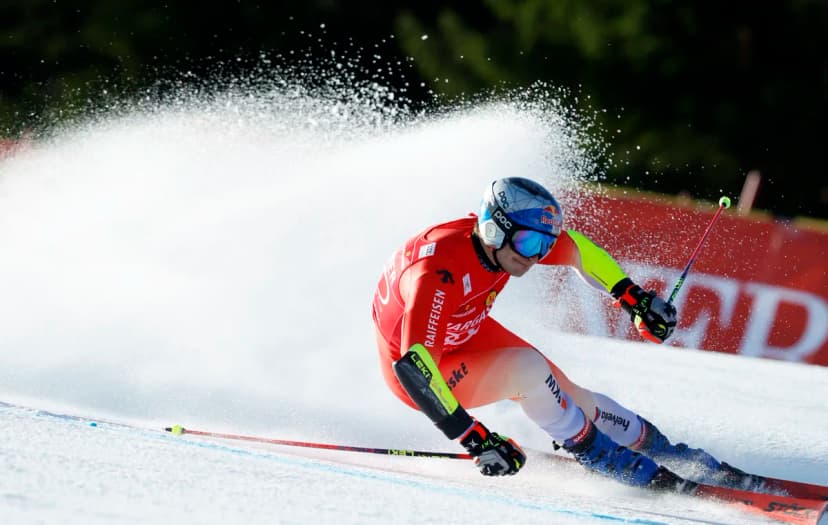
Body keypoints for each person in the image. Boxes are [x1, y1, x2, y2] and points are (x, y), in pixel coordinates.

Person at [371, 177, 763, 492]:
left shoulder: (499, 244)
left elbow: (579, 251)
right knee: (528, 372)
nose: (534, 256)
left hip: (463, 329)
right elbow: (414, 366)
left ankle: (668, 453)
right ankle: (597, 453)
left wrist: (633, 299)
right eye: (529, 242)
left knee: (566, 392)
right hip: (422, 372)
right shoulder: (437, 274)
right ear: (494, 228)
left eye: (543, 246)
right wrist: (474, 438)